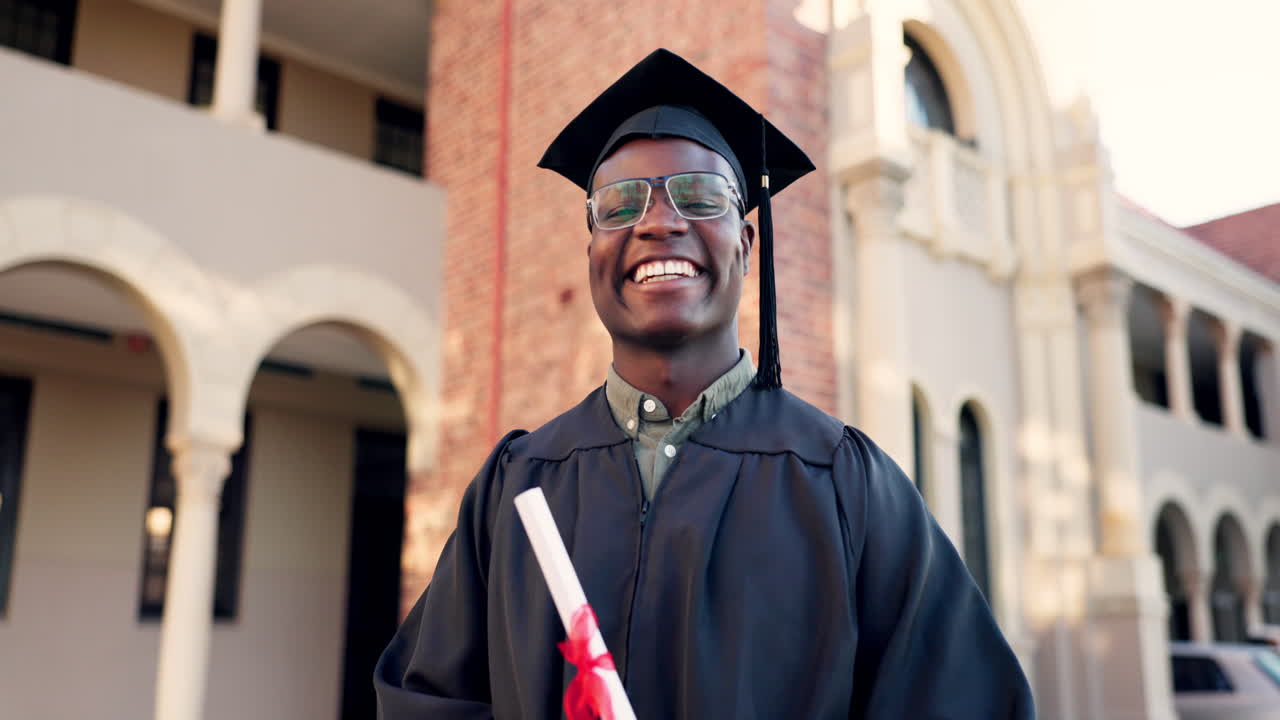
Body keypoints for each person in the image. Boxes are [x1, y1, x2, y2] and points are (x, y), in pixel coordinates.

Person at [375, 48, 1034, 719]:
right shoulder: (519, 486)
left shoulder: (842, 485)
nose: (659, 222)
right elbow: (424, 702)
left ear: (746, 245)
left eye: (699, 196)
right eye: (620, 204)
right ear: (591, 251)